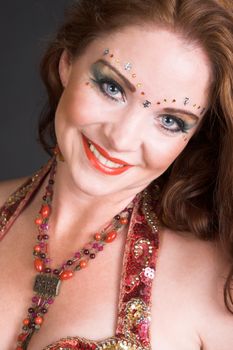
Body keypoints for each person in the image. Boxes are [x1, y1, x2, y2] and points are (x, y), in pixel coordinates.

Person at [0, 0, 233, 349]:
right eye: (113, 88)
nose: (121, 138)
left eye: (170, 121)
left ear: (194, 136)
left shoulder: (217, 288)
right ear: (67, 63)